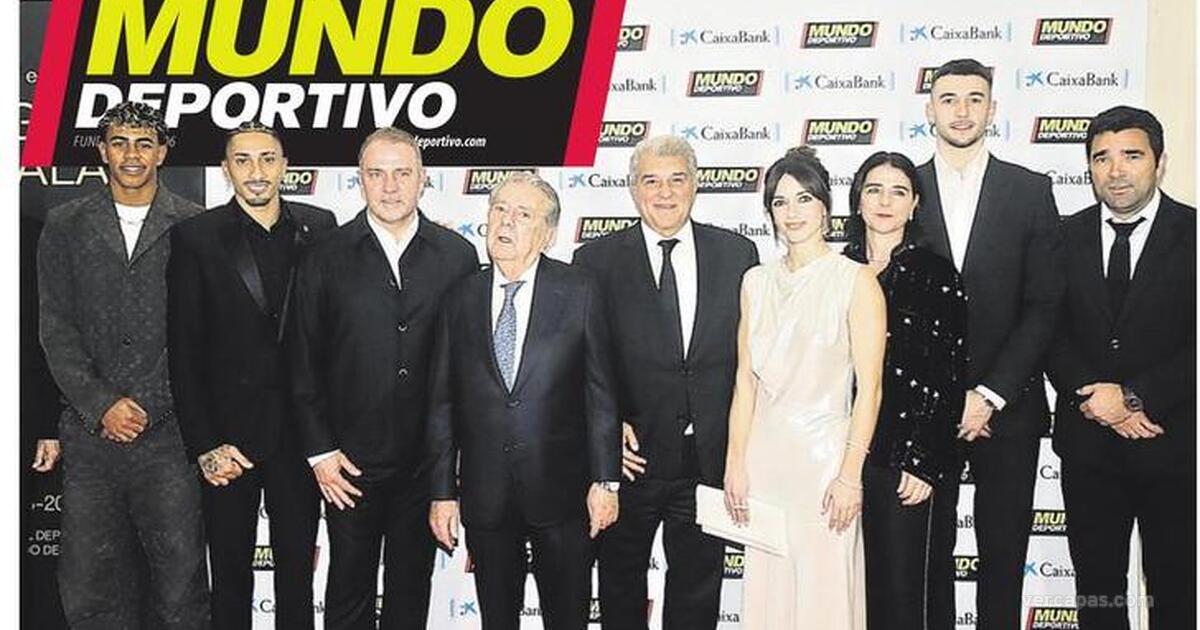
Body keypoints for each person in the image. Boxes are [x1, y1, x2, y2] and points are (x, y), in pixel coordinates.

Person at [289, 127, 478, 629]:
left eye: (402, 173)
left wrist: (454, 463)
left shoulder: (458, 257)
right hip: (349, 466)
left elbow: (470, 367)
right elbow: (302, 359)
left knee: (410, 593)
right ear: (360, 180)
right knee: (347, 592)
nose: (390, 186)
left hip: (426, 465)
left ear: (422, 179)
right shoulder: (323, 255)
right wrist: (321, 452)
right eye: (377, 174)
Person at [573, 134, 759, 630]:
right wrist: (606, 432)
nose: (665, 192)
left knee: (699, 593)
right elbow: (583, 361)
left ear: (695, 185)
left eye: (677, 179)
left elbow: (751, 358)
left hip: (707, 459)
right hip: (630, 462)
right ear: (633, 189)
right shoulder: (595, 261)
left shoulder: (737, 254)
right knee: (619, 587)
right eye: (651, 181)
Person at [38, 101, 209, 628]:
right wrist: (102, 405)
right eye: (120, 143)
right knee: (90, 590)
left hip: (172, 437)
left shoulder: (195, 225)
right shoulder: (65, 224)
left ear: (161, 152)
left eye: (143, 143)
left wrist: (149, 404)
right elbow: (55, 326)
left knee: (181, 591)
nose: (131, 155)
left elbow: (201, 333)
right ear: (102, 151)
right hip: (90, 438)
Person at [427, 172, 621, 630]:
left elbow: (601, 394)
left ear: (548, 233)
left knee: (567, 617)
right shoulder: (460, 297)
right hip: (486, 495)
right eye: (499, 210)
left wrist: (606, 481)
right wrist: (442, 492)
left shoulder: (581, 291)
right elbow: (441, 404)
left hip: (564, 494)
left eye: (523, 214)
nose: (506, 222)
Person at [167, 122, 337, 630]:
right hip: (230, 443)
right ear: (226, 170)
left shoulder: (321, 226)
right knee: (230, 578)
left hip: (302, 439)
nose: (256, 171)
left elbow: (334, 335)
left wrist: (327, 435)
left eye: (267, 158)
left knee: (297, 579)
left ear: (285, 166)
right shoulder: (196, 237)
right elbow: (184, 349)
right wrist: (205, 444)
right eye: (243, 160)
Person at [914, 58, 1063, 630]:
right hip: (924, 411)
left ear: (993, 110)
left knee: (1004, 554)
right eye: (949, 99)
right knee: (929, 555)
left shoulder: (1030, 191)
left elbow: (1044, 305)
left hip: (1010, 408)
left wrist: (989, 394)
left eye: (975, 99)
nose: (962, 111)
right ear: (930, 110)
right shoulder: (904, 190)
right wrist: (945, 396)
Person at [724, 146, 887, 629]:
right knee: (769, 595)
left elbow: (871, 389)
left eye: (804, 199)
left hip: (825, 465)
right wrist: (735, 462)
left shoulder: (856, 280)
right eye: (780, 202)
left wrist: (850, 475)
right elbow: (745, 381)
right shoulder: (755, 282)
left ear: (825, 207)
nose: (792, 212)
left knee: (824, 592)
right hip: (765, 464)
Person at [1048, 106, 1195, 629]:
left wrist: (1132, 397)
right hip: (1088, 448)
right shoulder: (1061, 236)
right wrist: (1096, 399)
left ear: (1160, 162)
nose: (1115, 171)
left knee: (1175, 590)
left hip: (1173, 444)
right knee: (1097, 595)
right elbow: (1048, 330)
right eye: (1101, 158)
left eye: (1131, 155)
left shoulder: (1194, 233)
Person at [842, 152, 967, 630]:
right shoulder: (836, 270)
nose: (885, 202)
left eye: (899, 192)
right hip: (842, 454)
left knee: (906, 595)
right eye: (874, 190)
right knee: (854, 593)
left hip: (905, 460)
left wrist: (923, 460)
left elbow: (948, 374)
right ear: (858, 200)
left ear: (915, 204)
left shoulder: (936, 273)